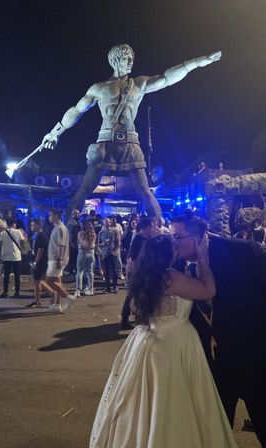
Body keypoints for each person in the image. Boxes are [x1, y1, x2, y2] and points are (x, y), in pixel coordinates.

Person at [79, 234, 246, 448]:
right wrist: (203, 259)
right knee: (176, 405)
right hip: (174, 345)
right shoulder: (172, 278)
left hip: (146, 342)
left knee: (144, 406)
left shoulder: (141, 277)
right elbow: (209, 290)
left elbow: (136, 309)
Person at [172, 215, 266, 448]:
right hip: (212, 359)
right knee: (216, 418)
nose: (174, 244)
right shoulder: (180, 264)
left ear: (196, 237)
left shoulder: (242, 250)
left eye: (177, 237)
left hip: (255, 352)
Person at [38, 44, 221, 221]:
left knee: (144, 190)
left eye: (132, 58)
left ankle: (159, 227)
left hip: (131, 142)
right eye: (126, 58)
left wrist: (195, 63)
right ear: (115, 61)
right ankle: (68, 227)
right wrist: (55, 132)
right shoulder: (100, 88)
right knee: (86, 188)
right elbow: (77, 110)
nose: (131, 62)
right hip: (106, 142)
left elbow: (166, 79)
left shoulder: (138, 84)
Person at [119, 216, 156, 330]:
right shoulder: (138, 239)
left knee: (139, 295)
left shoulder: (148, 238)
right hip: (138, 272)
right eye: (152, 226)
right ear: (146, 227)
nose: (154, 228)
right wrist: (131, 272)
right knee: (132, 295)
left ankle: (138, 317)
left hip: (145, 271)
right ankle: (125, 318)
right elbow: (132, 257)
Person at [46, 209, 76, 313]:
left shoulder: (60, 228)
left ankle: (67, 297)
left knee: (49, 280)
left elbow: (61, 245)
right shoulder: (57, 228)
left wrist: (59, 259)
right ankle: (57, 304)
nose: (49, 217)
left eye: (50, 215)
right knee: (57, 281)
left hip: (56, 259)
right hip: (55, 258)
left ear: (56, 216)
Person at [28, 220, 55, 308]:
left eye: (33, 225)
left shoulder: (41, 236)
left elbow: (40, 251)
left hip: (41, 262)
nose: (32, 227)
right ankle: (37, 301)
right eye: (31, 225)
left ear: (39, 226)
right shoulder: (37, 235)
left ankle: (52, 293)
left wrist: (35, 262)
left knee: (38, 281)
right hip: (40, 261)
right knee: (37, 282)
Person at [0, 218, 25, 298]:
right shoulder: (18, 231)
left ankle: (5, 292)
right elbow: (22, 242)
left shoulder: (2, 233)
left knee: (6, 275)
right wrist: (22, 250)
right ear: (14, 224)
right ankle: (17, 292)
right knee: (17, 275)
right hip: (16, 256)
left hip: (6, 256)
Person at [98, 217, 121, 293]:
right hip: (105, 254)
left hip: (113, 253)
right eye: (106, 222)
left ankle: (115, 286)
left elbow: (118, 242)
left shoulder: (115, 231)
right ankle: (107, 287)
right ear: (103, 223)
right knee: (106, 271)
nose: (107, 223)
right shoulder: (101, 233)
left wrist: (115, 250)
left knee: (115, 271)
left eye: (108, 222)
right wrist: (102, 244)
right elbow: (98, 244)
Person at [76, 219, 97, 296]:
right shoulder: (93, 234)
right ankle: (90, 289)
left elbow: (78, 242)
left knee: (80, 271)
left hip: (82, 252)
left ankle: (78, 289)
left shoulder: (80, 233)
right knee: (90, 272)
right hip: (91, 253)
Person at [67, 209, 81, 275]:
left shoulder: (78, 221)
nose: (78, 215)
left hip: (77, 242)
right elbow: (70, 233)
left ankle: (75, 269)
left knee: (76, 256)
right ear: (73, 214)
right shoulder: (71, 222)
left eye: (78, 213)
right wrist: (71, 242)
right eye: (77, 213)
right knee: (72, 257)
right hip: (73, 242)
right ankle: (71, 270)